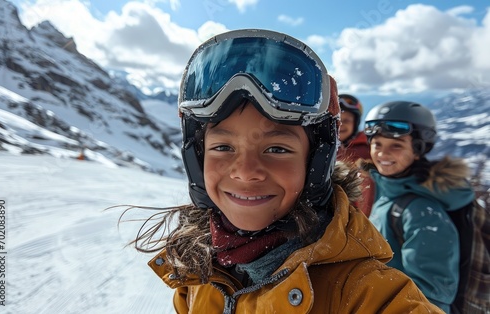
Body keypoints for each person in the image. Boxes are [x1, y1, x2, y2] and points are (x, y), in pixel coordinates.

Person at [128, 29, 443, 313]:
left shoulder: (365, 294)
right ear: (196, 160)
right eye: (223, 147)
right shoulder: (196, 274)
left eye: (277, 149)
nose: (246, 172)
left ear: (315, 164)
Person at [361, 101, 475, 313]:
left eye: (396, 145)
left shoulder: (422, 211)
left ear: (417, 150)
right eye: (377, 144)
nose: (383, 154)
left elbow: (431, 298)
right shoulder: (387, 192)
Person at [336, 94, 374, 216]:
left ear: (356, 123)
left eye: (346, 121)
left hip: (366, 218)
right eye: (336, 120)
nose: (340, 125)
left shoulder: (369, 149)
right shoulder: (325, 150)